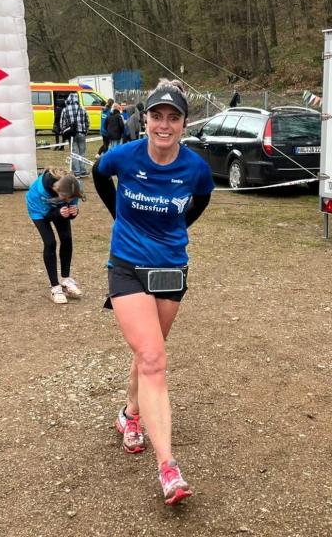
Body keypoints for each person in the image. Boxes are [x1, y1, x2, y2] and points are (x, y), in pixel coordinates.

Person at [92, 78, 214, 505]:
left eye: (173, 118)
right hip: (126, 265)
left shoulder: (196, 168)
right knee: (153, 358)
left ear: (184, 124)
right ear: (144, 120)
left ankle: (129, 415)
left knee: (150, 353)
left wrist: (174, 229)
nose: (164, 125)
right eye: (157, 116)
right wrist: (119, 217)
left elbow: (200, 201)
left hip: (170, 268)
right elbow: (99, 174)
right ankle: (168, 468)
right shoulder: (124, 156)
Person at [26, 168, 85, 304]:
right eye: (67, 199)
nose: (70, 200)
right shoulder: (39, 191)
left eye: (71, 198)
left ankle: (66, 280)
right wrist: (58, 213)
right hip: (39, 210)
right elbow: (46, 217)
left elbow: (70, 208)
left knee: (66, 238)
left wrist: (73, 212)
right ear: (57, 191)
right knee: (50, 243)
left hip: (58, 204)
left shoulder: (73, 186)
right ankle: (55, 287)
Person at [59, 93, 90, 179]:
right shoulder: (82, 109)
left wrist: (66, 132)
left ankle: (76, 172)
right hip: (82, 133)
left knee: (74, 153)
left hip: (72, 135)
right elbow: (88, 122)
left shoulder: (65, 109)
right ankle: (83, 171)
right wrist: (85, 131)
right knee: (82, 152)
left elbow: (62, 123)